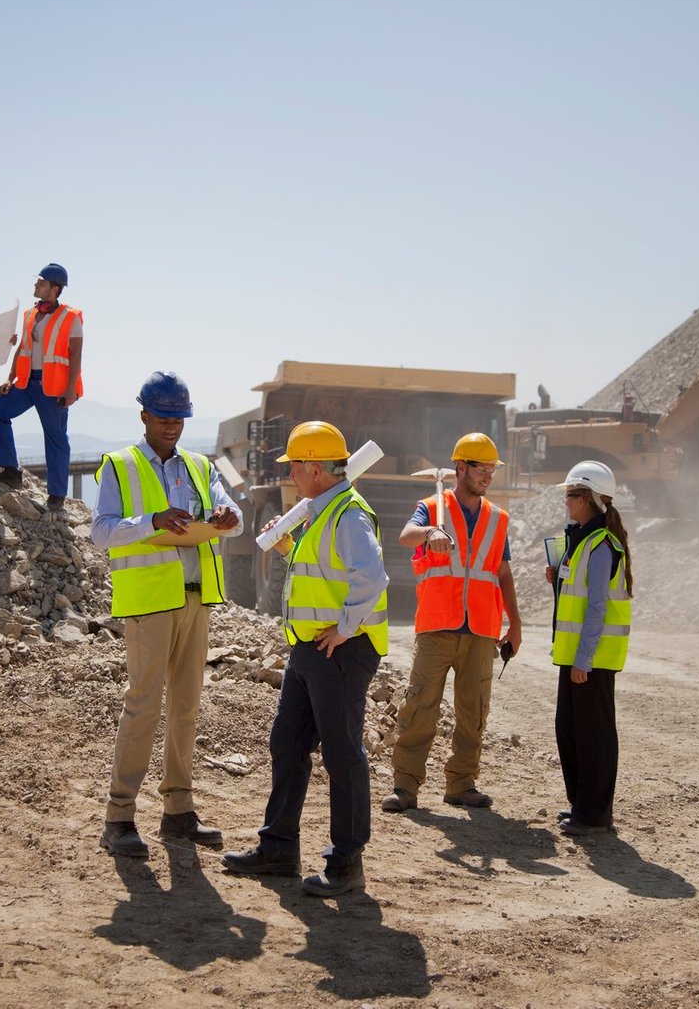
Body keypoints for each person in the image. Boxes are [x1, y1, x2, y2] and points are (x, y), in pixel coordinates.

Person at [222, 421, 389, 897]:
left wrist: (346, 627)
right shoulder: (322, 511)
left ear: (315, 468)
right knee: (287, 744)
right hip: (309, 648)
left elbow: (372, 577)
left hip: (340, 651)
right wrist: (287, 547)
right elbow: (322, 572)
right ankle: (278, 848)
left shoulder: (348, 514)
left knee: (343, 753)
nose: (290, 473)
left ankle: (347, 862)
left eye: (294, 465)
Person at [94, 372, 243, 859]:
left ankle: (179, 811)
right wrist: (151, 522)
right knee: (143, 706)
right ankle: (119, 818)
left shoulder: (200, 466)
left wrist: (226, 520)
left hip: (195, 600)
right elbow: (101, 532)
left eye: (180, 419)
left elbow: (232, 516)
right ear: (144, 416)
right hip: (149, 605)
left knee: (185, 707)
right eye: (164, 418)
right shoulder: (120, 465)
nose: (173, 427)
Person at [381, 432, 522, 813]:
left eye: (492, 469)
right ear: (460, 468)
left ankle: (462, 783)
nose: (488, 475)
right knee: (419, 707)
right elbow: (407, 536)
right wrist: (431, 532)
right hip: (437, 626)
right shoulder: (431, 507)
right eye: (481, 468)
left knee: (473, 711)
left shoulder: (498, 519)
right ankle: (405, 787)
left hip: (482, 629)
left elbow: (503, 574)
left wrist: (516, 624)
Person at [544, 460, 634, 836]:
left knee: (593, 735)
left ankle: (595, 815)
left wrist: (584, 660)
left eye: (570, 495)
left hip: (591, 660)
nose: (565, 502)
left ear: (586, 499)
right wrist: (556, 580)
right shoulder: (582, 540)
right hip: (576, 657)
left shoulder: (600, 545)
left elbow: (597, 607)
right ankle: (582, 805)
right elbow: (578, 599)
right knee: (571, 730)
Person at [0, 263, 83, 509]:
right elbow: (23, 348)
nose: (36, 286)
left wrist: (71, 388)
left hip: (54, 388)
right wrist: (10, 377)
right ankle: (10, 470)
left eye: (41, 282)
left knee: (56, 439)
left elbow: (76, 355)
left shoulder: (70, 317)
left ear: (55, 288)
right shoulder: (30, 314)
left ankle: (57, 496)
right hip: (27, 382)